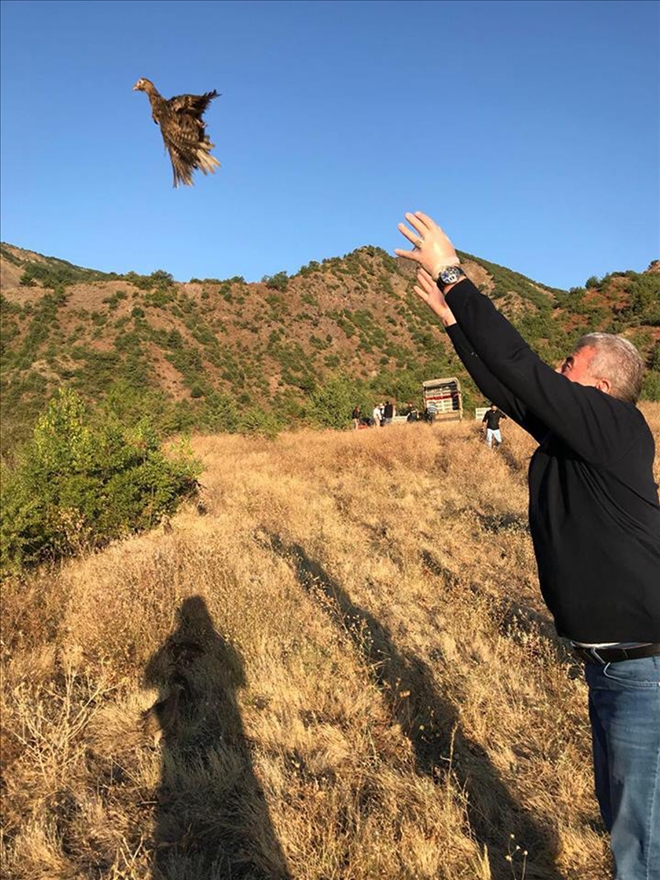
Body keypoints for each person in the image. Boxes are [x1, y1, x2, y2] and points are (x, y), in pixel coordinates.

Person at [396, 210, 660, 880]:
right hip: (612, 669)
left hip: (645, 673)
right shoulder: (581, 440)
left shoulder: (615, 427)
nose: (556, 368)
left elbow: (519, 365)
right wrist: (456, 325)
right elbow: (507, 386)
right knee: (630, 825)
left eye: (569, 362)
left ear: (601, 380)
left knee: (643, 844)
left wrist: (455, 275)